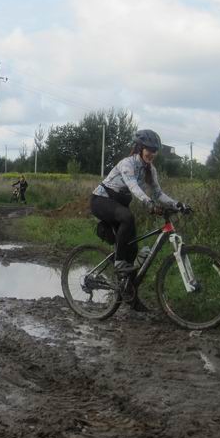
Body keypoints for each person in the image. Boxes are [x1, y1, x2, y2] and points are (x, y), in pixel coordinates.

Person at [90, 129, 187, 311]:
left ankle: (131, 298)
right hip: (101, 200)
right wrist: (148, 203)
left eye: (155, 150)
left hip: (118, 206)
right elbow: (133, 187)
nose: (152, 153)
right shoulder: (127, 164)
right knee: (127, 217)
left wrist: (178, 204)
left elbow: (159, 194)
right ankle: (119, 264)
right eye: (149, 149)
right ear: (140, 148)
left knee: (133, 252)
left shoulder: (151, 170)